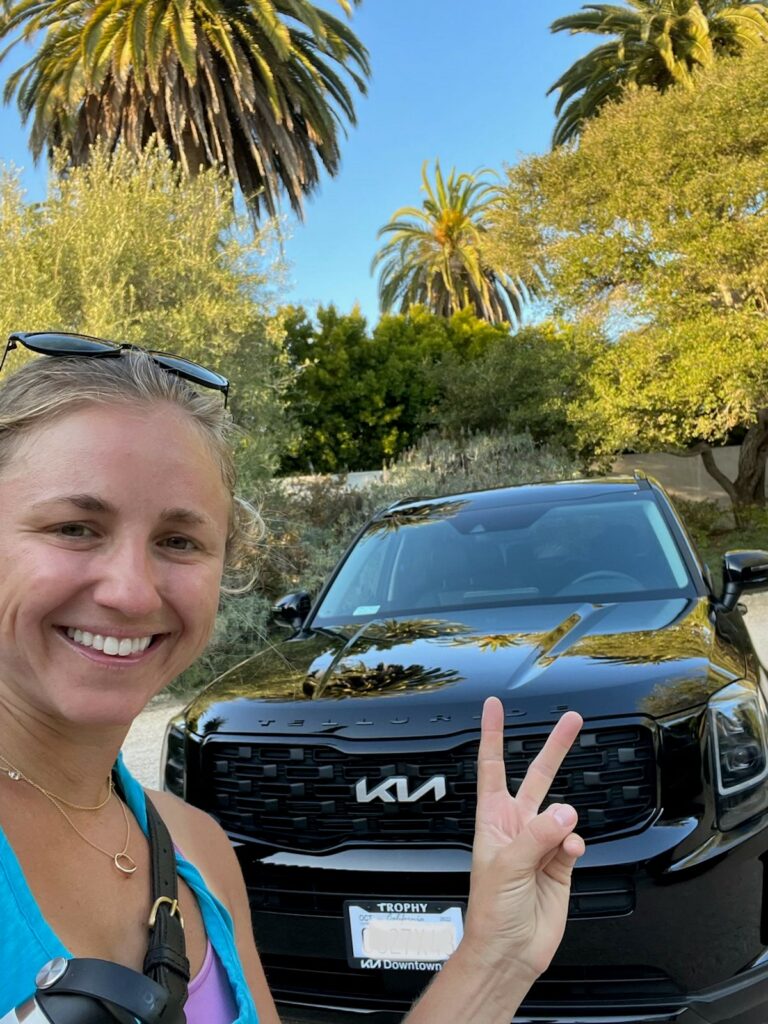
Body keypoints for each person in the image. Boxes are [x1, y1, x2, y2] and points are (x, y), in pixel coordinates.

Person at [0, 331, 585, 1024]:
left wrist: (498, 954)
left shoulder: (197, 852)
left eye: (179, 542)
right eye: (74, 528)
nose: (131, 591)